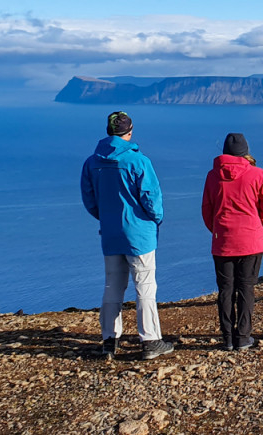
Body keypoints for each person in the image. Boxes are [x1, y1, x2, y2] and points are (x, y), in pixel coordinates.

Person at [80, 111, 174, 361]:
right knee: (145, 287)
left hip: (111, 233)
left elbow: (90, 200)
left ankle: (108, 341)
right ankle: (150, 340)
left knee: (112, 286)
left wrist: (107, 218)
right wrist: (155, 220)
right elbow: (152, 199)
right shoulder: (139, 161)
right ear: (129, 132)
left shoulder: (92, 162)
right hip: (139, 234)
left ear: (109, 132)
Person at [201, 133, 263, 351]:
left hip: (223, 241)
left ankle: (227, 338)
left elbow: (207, 209)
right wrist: (259, 230)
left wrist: (218, 229)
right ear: (246, 151)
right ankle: (243, 337)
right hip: (251, 241)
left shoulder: (212, 176)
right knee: (246, 288)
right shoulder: (258, 174)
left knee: (225, 290)